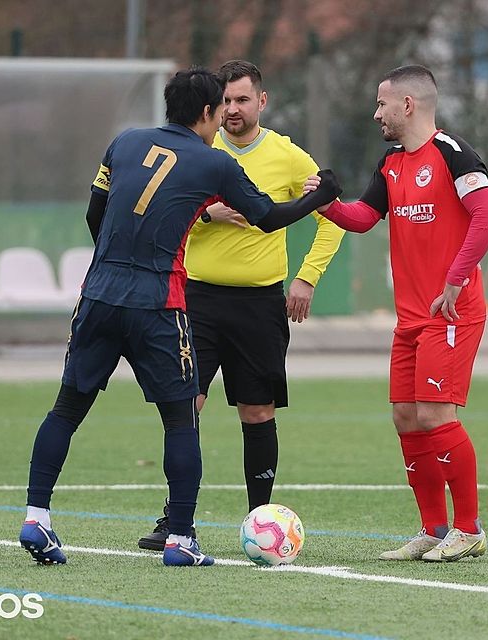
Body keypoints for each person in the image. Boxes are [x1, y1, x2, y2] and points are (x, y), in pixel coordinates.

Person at [18, 67, 342, 567]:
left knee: (66, 408)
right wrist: (321, 196)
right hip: (160, 303)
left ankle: (36, 516)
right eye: (222, 108)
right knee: (180, 419)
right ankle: (181, 539)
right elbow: (268, 218)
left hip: (100, 294)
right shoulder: (213, 163)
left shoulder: (123, 143)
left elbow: (94, 214)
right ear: (209, 112)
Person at [137, 60, 345, 551]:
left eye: (242, 100)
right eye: (225, 101)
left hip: (260, 304)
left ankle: (260, 521)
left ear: (262, 102)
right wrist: (206, 213)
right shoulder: (197, 151)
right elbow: (161, 205)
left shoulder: (288, 157)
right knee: (186, 406)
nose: (232, 109)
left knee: (257, 411)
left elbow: (330, 216)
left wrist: (306, 278)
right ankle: (176, 518)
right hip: (198, 300)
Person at [305, 64, 488, 562]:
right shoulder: (391, 163)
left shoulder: (454, 155)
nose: (377, 114)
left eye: (381, 104)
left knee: (437, 414)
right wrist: (323, 202)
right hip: (411, 317)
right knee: (406, 417)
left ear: (407, 105)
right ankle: (433, 529)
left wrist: (455, 279)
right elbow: (363, 218)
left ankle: (470, 528)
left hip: (451, 313)